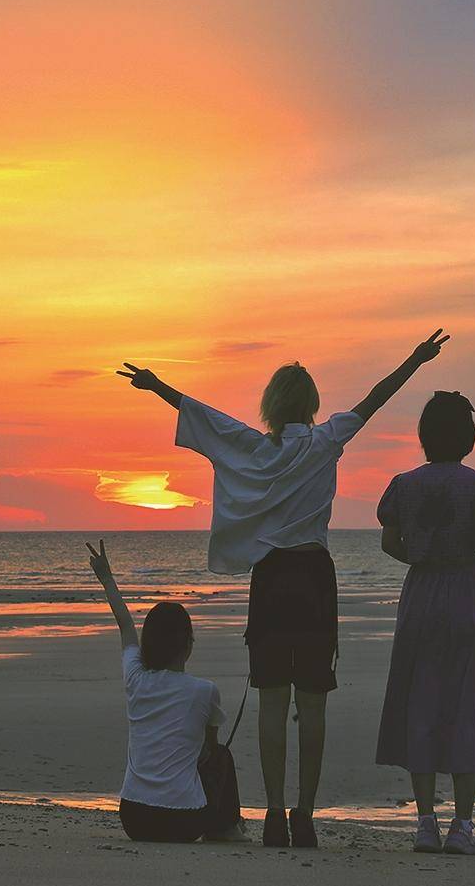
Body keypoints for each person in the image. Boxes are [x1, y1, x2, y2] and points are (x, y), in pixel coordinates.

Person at [119, 329, 449, 848]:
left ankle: (274, 813)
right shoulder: (327, 439)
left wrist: (158, 386)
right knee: (312, 704)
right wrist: (416, 359)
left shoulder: (256, 447)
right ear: (312, 405)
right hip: (314, 577)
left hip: (271, 579)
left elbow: (208, 418)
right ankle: (305, 816)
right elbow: (374, 400)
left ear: (271, 406)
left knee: (273, 702)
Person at [375, 391, 475, 856]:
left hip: (422, 593)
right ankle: (463, 825)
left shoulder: (404, 485)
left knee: (421, 704)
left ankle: (426, 822)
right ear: (467, 437)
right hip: (465, 591)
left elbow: (392, 543)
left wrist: (422, 552)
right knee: (462, 704)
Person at [87, 540, 245, 843]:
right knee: (222, 756)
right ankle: (227, 829)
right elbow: (207, 751)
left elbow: (125, 628)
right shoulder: (204, 691)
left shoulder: (136, 679)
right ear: (187, 645)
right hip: (183, 821)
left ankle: (227, 827)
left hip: (133, 818)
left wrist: (106, 578)